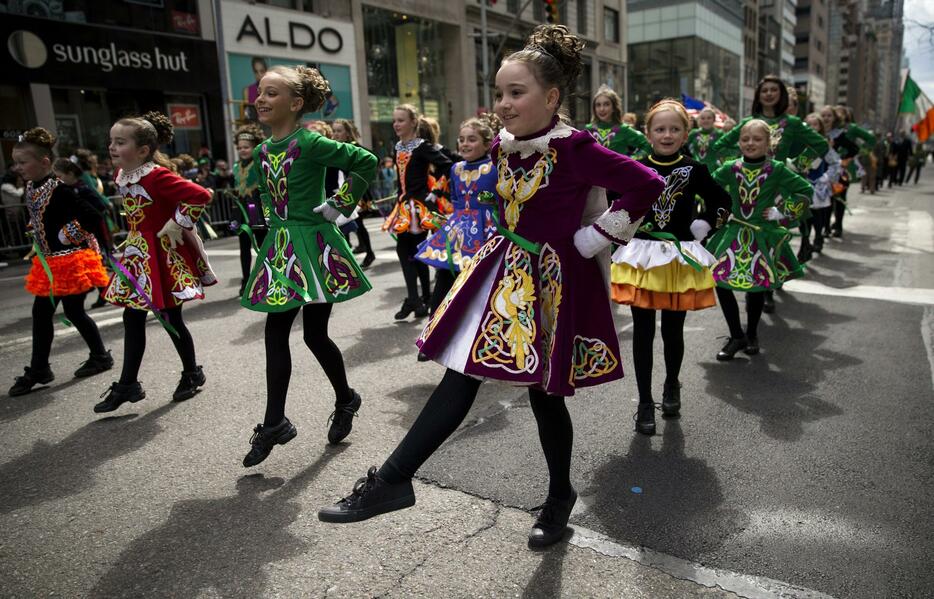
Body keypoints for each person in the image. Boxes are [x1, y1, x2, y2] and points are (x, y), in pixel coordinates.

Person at [318, 25, 664, 548]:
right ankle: (392, 480)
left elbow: (647, 183)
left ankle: (559, 497)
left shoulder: (575, 148)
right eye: (499, 92)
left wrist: (593, 238)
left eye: (515, 92)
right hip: (502, 275)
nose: (502, 104)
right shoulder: (505, 146)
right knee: (462, 375)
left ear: (551, 97)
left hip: (550, 283)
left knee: (547, 397)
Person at [239, 65, 377, 467]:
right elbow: (268, 194)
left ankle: (345, 399)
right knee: (276, 331)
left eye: (271, 93)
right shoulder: (264, 150)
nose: (260, 99)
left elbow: (364, 161)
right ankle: (275, 421)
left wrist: (340, 202)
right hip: (281, 249)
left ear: (296, 103)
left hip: (315, 249)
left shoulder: (311, 142)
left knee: (315, 336)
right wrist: (264, 227)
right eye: (260, 93)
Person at [610, 99, 731, 435]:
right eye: (660, 129)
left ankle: (672, 384)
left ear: (684, 133)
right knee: (643, 332)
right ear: (648, 133)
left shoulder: (695, 169)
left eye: (674, 129)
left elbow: (723, 201)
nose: (667, 134)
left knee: (672, 330)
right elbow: (610, 201)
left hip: (677, 257)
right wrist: (620, 226)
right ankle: (645, 401)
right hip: (641, 257)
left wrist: (705, 223)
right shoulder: (632, 167)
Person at [94, 111, 216, 413]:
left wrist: (176, 222)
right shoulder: (121, 174)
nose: (111, 147)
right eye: (111, 141)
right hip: (137, 254)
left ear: (144, 150)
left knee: (172, 318)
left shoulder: (157, 175)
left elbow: (201, 195)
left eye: (120, 142)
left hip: (162, 256)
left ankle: (191, 372)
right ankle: (128, 384)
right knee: (133, 318)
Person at [8, 128, 113, 397]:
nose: (17, 167)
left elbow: (95, 213)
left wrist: (69, 234)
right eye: (16, 162)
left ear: (44, 163)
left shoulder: (61, 189)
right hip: (50, 262)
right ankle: (44, 366)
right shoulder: (33, 187)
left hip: (72, 261)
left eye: (23, 162)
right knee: (45, 314)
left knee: (71, 312)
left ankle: (91, 358)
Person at [707, 119, 812, 360]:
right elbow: (709, 187)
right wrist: (722, 207)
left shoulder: (777, 169)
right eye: (745, 139)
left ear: (769, 143)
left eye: (757, 139)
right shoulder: (731, 167)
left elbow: (804, 190)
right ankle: (736, 335)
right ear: (739, 143)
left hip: (761, 234)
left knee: (756, 287)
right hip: (732, 233)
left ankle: (752, 333)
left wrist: (782, 211)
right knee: (720, 282)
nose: (750, 143)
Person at [414, 112, 501, 342]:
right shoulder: (455, 169)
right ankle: (432, 334)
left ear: (486, 143)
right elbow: (455, 200)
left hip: (487, 233)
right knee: (443, 277)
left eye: (471, 139)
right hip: (458, 232)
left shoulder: (495, 167)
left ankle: (485, 338)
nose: (464, 143)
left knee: (483, 285)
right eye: (461, 139)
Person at [382, 104, 454, 320]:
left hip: (419, 206)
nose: (396, 124)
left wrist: (435, 189)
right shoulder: (398, 147)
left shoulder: (422, 146)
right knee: (413, 252)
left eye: (401, 120)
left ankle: (415, 298)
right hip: (404, 204)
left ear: (413, 122)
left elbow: (446, 164)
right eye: (394, 120)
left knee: (405, 250)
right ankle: (422, 298)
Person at [822, 105, 875, 238]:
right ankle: (826, 227)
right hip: (824, 171)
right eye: (824, 115)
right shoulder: (819, 130)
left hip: (842, 170)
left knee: (839, 198)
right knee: (826, 198)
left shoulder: (848, 130)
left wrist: (854, 157)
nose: (827, 118)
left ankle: (838, 226)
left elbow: (866, 141)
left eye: (831, 115)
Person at [332, 119, 377, 269]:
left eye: (339, 131)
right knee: (348, 224)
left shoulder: (354, 148)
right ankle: (357, 253)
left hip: (357, 193)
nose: (336, 134)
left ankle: (369, 252)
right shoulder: (336, 148)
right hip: (343, 192)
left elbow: (370, 161)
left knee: (358, 223)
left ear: (347, 132)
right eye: (334, 131)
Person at [795, 113, 842, 257]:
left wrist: (826, 178)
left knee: (817, 215)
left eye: (815, 124)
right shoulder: (798, 143)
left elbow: (836, 163)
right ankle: (805, 243)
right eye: (808, 125)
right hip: (802, 184)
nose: (811, 127)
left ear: (820, 127)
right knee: (803, 216)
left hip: (818, 186)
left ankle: (818, 237)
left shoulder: (823, 144)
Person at [231, 123, 268, 295]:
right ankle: (246, 281)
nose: (242, 150)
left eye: (246, 147)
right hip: (242, 209)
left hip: (257, 209)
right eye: (239, 147)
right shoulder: (237, 167)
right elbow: (237, 188)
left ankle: (268, 277)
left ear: (255, 146)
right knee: (244, 247)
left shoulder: (260, 163)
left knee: (262, 245)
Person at [585, 85, 651, 158]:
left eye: (606, 104)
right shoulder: (588, 129)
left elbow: (647, 145)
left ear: (614, 108)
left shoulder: (624, 129)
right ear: (594, 109)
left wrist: (631, 160)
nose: (602, 109)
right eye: (598, 105)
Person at [686, 107, 723, 174]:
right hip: (695, 169)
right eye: (703, 118)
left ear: (714, 119)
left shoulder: (719, 134)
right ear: (699, 120)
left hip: (713, 171)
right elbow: (682, 146)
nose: (706, 120)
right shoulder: (694, 133)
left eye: (709, 118)